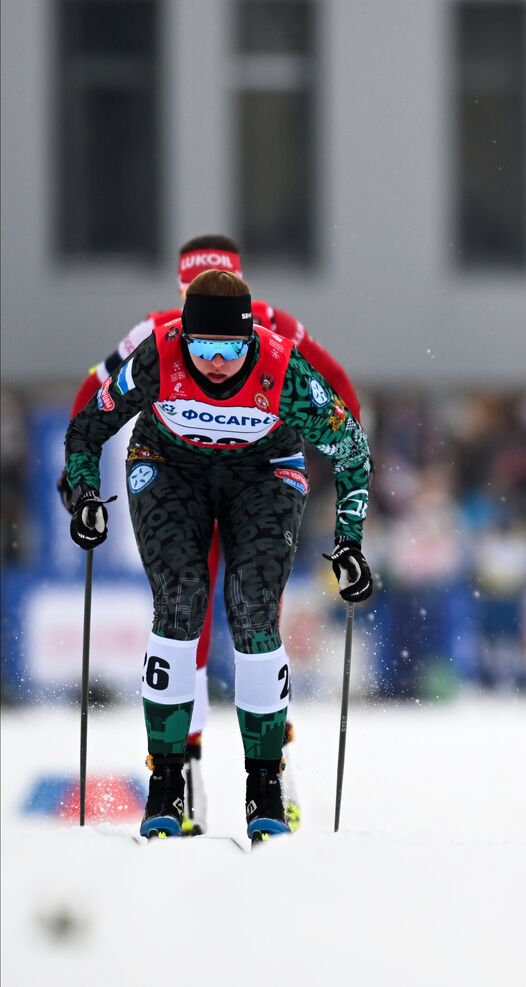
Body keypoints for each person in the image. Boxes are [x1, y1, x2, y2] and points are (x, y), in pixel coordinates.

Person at [60, 234, 361, 836]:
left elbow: (350, 441)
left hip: (262, 473)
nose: (217, 362)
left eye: (230, 347)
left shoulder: (281, 350)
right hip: (172, 468)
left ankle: (268, 780)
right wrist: (82, 494)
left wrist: (349, 539)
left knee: (253, 609)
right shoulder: (156, 341)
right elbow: (87, 423)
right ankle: (171, 779)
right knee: (181, 601)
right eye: (204, 346)